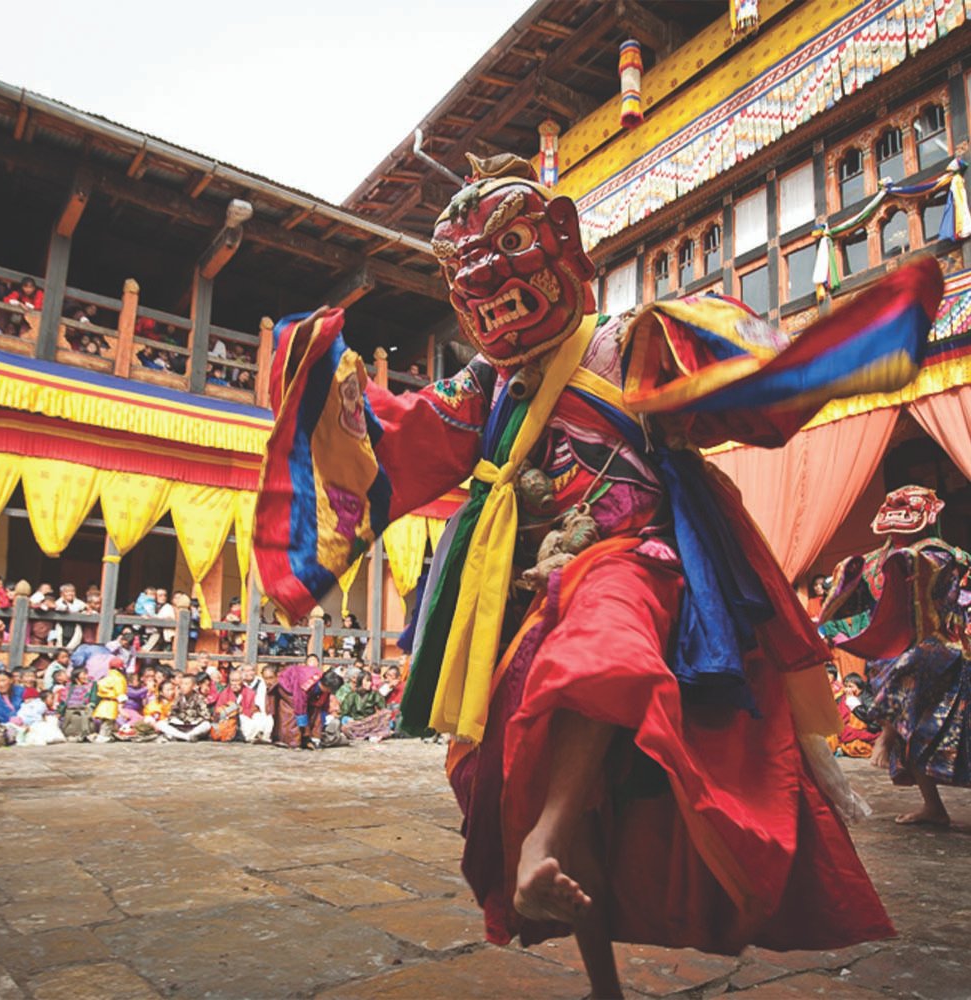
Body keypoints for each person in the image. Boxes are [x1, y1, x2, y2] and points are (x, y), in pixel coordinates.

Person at [252, 152, 946, 995]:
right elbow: (399, 443)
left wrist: (831, 356)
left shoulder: (627, 341)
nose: (482, 277)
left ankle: (544, 840)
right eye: (461, 264)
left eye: (508, 245)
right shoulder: (487, 386)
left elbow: (736, 377)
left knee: (600, 629)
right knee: (533, 765)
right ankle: (588, 948)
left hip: (638, 563)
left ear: (563, 243)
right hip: (523, 592)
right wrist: (322, 380)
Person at [822, 487, 971, 827]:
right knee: (909, 734)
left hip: (939, 650)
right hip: (897, 651)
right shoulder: (876, 560)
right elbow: (855, 597)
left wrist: (910, 565)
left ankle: (886, 734)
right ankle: (933, 806)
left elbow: (938, 580)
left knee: (934, 719)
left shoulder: (939, 553)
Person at [339, 669, 393, 742]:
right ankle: (369, 734)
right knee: (345, 726)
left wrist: (377, 717)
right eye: (367, 681)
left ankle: (367, 734)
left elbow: (383, 709)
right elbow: (344, 713)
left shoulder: (374, 694)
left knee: (386, 713)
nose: (369, 683)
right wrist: (349, 719)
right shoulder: (352, 695)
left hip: (371, 723)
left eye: (370, 681)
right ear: (360, 681)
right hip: (357, 723)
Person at [156, 673, 211, 741]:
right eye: (182, 684)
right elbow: (173, 713)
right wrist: (175, 719)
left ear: (194, 686)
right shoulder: (178, 697)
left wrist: (193, 721)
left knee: (206, 725)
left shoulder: (199, 698)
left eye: (186, 684)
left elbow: (206, 716)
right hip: (180, 725)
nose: (183, 686)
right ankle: (186, 737)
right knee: (160, 724)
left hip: (193, 725)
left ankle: (183, 735)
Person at [92, 657, 128, 741]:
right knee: (108, 722)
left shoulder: (106, 678)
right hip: (112, 702)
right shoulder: (119, 678)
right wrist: (121, 708)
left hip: (103, 702)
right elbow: (120, 693)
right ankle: (103, 736)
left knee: (105, 721)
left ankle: (105, 735)